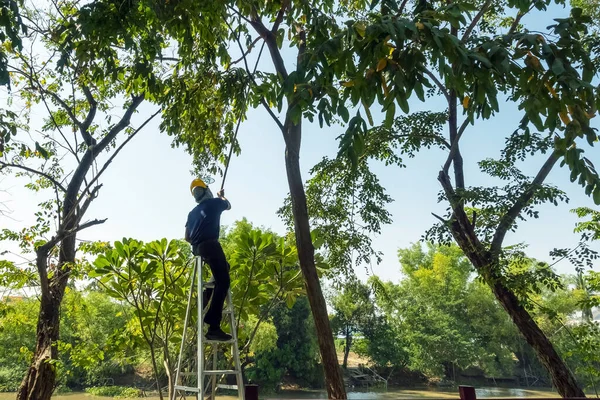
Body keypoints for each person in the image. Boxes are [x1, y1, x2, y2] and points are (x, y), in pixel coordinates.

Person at [185, 178, 232, 341]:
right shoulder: (214, 203)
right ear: (206, 191)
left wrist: (199, 241)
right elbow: (228, 205)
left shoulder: (191, 213)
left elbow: (187, 237)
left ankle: (208, 292)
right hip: (211, 245)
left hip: (198, 250)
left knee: (225, 267)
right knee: (224, 281)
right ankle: (213, 326)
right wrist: (221, 197)